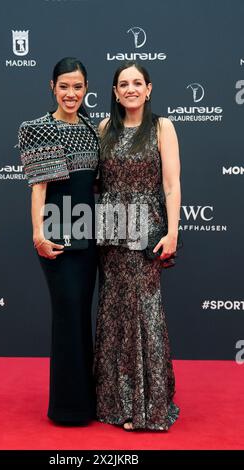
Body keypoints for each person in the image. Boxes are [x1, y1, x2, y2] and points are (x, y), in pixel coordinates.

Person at [93, 62, 181, 431]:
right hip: (111, 231)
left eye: (136, 83)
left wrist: (173, 232)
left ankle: (147, 406)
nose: (130, 89)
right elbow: (96, 183)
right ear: (114, 92)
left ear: (149, 89)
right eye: (122, 84)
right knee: (114, 313)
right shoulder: (104, 129)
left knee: (144, 311)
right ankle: (118, 405)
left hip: (146, 231)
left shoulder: (162, 127)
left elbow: (172, 185)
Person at [18, 57, 99, 425]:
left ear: (86, 89)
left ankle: (86, 401)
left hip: (89, 234)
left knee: (81, 315)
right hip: (56, 233)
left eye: (77, 86)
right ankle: (66, 408)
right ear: (52, 87)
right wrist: (38, 233)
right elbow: (39, 188)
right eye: (64, 86)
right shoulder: (38, 128)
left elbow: (95, 186)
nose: (71, 93)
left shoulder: (91, 130)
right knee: (67, 315)